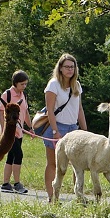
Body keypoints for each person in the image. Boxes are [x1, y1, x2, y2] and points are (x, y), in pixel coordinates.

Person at [43, 53, 87, 202]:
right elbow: (50, 110)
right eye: (67, 67)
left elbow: (79, 109)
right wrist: (55, 131)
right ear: (60, 68)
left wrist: (85, 131)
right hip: (58, 127)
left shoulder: (77, 85)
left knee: (77, 165)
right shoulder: (53, 84)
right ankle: (52, 197)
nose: (70, 69)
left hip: (74, 128)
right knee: (54, 164)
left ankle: (79, 197)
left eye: (72, 67)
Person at [0, 70, 33, 194]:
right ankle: (17, 184)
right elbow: (1, 113)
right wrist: (2, 130)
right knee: (19, 155)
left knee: (11, 157)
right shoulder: (7, 95)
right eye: (22, 84)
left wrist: (30, 127)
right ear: (15, 83)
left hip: (19, 132)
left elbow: (25, 112)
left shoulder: (23, 96)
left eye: (25, 84)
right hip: (9, 133)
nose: (24, 87)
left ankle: (5, 184)